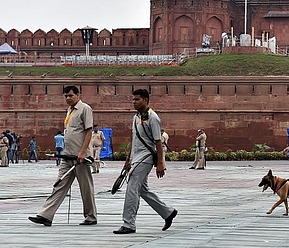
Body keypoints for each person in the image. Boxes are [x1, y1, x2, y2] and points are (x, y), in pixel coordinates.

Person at [28, 85, 97, 227]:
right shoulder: (69, 111)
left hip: (80, 157)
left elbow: (88, 132)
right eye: (66, 96)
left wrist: (83, 152)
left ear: (78, 95)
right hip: (67, 155)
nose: (68, 98)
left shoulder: (85, 109)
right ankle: (46, 215)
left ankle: (91, 216)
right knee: (59, 184)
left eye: (71, 95)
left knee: (86, 187)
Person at [113, 89, 177, 234]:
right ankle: (168, 212)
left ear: (146, 100)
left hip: (146, 157)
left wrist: (160, 163)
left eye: (137, 99)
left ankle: (128, 223)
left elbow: (158, 142)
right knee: (142, 190)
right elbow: (134, 140)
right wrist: (128, 159)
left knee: (132, 188)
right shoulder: (136, 117)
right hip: (136, 158)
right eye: (133, 99)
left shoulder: (153, 118)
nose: (134, 102)